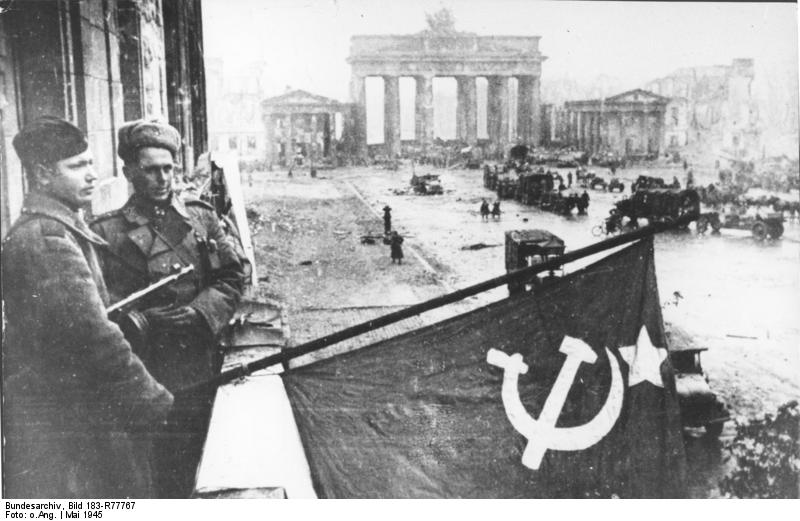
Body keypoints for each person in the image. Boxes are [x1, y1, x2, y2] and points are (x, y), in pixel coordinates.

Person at [2, 116, 174, 498]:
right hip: (71, 424)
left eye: (92, 163)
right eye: (78, 166)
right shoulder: (48, 239)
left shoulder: (59, 228)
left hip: (75, 414)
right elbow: (93, 338)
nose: (93, 175)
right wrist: (150, 398)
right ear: (44, 174)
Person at [90, 119, 245, 498]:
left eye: (168, 169)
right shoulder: (106, 232)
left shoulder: (201, 217)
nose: (162, 178)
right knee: (152, 474)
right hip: (144, 372)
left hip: (199, 363)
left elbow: (233, 276)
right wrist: (140, 321)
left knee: (200, 465)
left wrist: (200, 312)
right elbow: (97, 309)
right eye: (150, 170)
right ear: (129, 173)